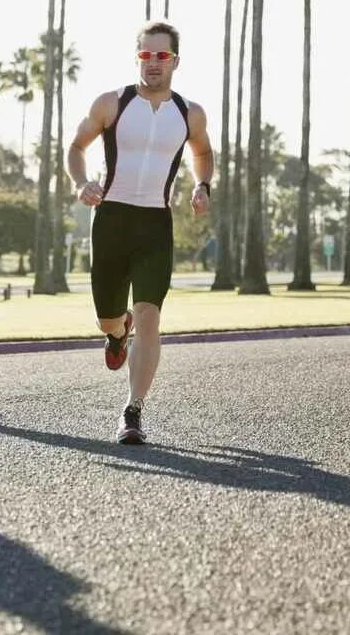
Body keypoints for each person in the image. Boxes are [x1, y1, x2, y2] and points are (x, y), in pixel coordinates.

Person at [67, 22, 213, 445]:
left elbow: (203, 152)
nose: (153, 63)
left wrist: (203, 185)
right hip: (111, 220)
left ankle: (132, 412)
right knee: (108, 318)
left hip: (155, 224)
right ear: (138, 58)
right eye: (146, 55)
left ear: (175, 61)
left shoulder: (189, 113)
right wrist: (81, 183)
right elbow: (77, 147)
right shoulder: (112, 104)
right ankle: (117, 332)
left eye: (161, 56)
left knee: (151, 316)